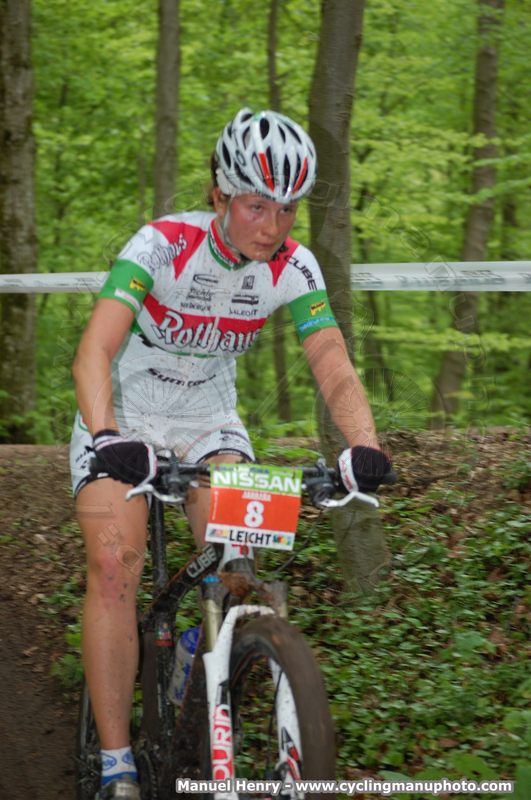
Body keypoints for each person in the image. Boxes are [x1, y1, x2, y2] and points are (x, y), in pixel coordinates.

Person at [70, 107, 393, 799]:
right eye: (256, 205)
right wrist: (106, 437)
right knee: (115, 564)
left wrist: (363, 446)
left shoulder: (293, 265)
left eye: (288, 208)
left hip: (209, 419)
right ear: (220, 191)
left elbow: (331, 359)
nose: (272, 225)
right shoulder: (163, 245)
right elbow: (94, 348)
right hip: (124, 411)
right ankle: (117, 764)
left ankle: (209, 650)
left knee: (236, 563)